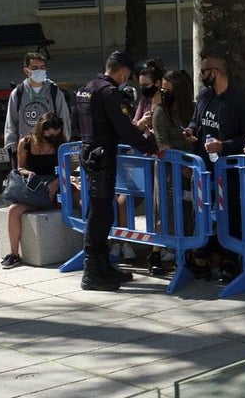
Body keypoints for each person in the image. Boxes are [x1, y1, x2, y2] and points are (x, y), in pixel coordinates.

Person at [75, 51, 158, 291]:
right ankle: (92, 271)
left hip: (90, 153)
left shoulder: (86, 88)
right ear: (122, 71)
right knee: (100, 214)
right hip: (102, 156)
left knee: (100, 211)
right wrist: (149, 146)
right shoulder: (109, 93)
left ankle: (101, 266)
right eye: (128, 75)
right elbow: (125, 129)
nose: (127, 79)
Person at [184, 54, 245, 281]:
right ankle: (203, 256)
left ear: (214, 72)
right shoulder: (204, 96)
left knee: (231, 213)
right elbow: (196, 121)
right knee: (203, 213)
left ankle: (229, 259)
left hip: (230, 171)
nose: (201, 75)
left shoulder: (241, 100)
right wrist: (190, 131)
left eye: (204, 70)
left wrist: (223, 146)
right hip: (204, 169)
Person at [1, 112, 67, 269]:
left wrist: (57, 181)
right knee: (13, 210)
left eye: (56, 135)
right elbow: (20, 167)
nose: (52, 138)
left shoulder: (60, 143)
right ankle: (14, 254)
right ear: (40, 131)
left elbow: (67, 167)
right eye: (49, 135)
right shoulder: (26, 142)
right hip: (35, 190)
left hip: (55, 188)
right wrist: (28, 173)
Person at [146, 69, 194, 276]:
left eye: (168, 89)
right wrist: (181, 167)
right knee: (165, 211)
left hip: (192, 170)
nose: (164, 93)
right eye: (162, 88)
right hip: (168, 169)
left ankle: (188, 255)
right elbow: (162, 144)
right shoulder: (160, 112)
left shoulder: (190, 110)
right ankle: (155, 253)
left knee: (188, 211)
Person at [4, 52, 72, 157]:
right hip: (26, 150)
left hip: (51, 149)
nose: (39, 71)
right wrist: (12, 149)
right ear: (26, 71)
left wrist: (63, 146)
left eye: (42, 67)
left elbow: (64, 119)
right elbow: (11, 124)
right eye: (35, 68)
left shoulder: (54, 92)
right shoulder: (18, 93)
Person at [133, 60, 165, 132]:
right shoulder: (144, 100)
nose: (143, 89)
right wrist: (142, 122)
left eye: (146, 85)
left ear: (157, 83)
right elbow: (134, 125)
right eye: (141, 86)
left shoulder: (167, 99)